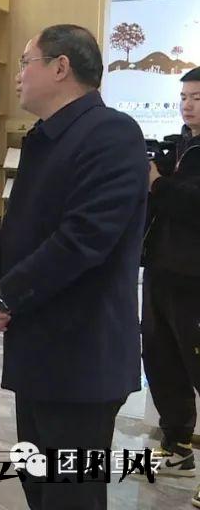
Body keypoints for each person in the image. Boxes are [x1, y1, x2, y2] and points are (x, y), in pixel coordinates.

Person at [0, 24, 148, 510]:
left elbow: (83, 239)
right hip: (37, 351)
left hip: (82, 358)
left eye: (26, 62)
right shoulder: (45, 137)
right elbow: (17, 226)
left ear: (60, 67)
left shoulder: (112, 134)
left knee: (72, 496)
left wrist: (6, 294)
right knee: (40, 486)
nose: (18, 76)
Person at [142, 69, 200, 485]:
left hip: (195, 277)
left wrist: (159, 185)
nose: (187, 105)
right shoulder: (177, 146)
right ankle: (177, 447)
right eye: (184, 97)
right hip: (161, 270)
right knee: (162, 360)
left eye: (196, 98)